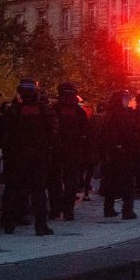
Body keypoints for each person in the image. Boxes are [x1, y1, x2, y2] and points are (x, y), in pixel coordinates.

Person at [0, 78, 55, 235]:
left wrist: (8, 153)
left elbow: (4, 134)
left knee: (13, 189)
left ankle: (8, 223)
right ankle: (41, 225)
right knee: (38, 190)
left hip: (17, 156)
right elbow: (53, 132)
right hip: (38, 155)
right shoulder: (44, 110)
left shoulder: (12, 110)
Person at [99, 90, 140, 220]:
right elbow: (129, 133)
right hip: (124, 153)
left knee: (111, 181)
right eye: (126, 98)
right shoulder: (124, 115)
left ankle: (109, 208)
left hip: (111, 153)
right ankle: (127, 211)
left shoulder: (108, 115)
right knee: (128, 182)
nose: (128, 101)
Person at [52, 82, 88, 221]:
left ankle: (55, 209)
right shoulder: (79, 111)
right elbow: (86, 132)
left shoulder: (53, 109)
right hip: (73, 150)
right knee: (70, 181)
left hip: (56, 150)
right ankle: (68, 211)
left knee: (54, 180)